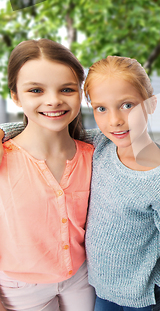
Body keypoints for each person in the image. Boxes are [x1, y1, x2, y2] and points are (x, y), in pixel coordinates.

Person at [0, 56, 160, 311]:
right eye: (102, 108)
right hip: (99, 290)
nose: (115, 120)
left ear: (151, 103)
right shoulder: (103, 144)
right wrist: (5, 131)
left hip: (143, 296)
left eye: (127, 105)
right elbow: (48, 129)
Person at [0, 39, 95, 310]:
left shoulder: (94, 155)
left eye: (66, 89)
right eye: (35, 90)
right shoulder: (4, 157)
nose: (53, 100)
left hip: (80, 277)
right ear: (16, 95)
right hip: (19, 288)